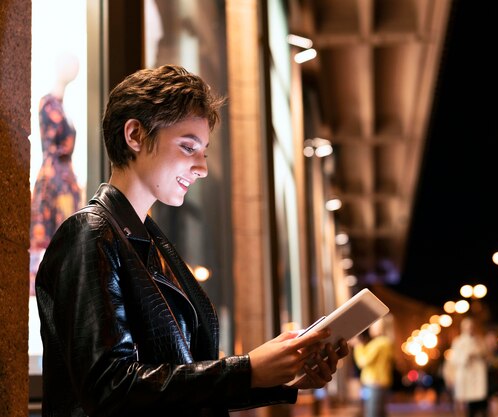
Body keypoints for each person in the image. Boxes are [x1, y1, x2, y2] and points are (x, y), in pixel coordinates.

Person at [35, 64, 349, 417]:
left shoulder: (148, 241)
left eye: (204, 152)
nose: (202, 168)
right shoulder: (90, 234)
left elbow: (178, 385)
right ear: (135, 135)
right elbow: (110, 387)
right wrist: (248, 370)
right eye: (188, 147)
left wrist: (280, 378)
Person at [30, 52, 82, 295]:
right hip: (54, 179)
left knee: (66, 236)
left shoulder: (61, 106)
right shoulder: (47, 103)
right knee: (49, 231)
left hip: (65, 179)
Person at [353, 314, 395, 417]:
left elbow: (362, 361)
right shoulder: (386, 342)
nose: (372, 326)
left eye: (375, 324)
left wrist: (357, 345)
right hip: (380, 382)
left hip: (374, 383)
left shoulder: (380, 342)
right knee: (380, 412)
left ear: (383, 327)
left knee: (373, 413)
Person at [449, 317, 489, 417]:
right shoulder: (458, 342)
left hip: (477, 377)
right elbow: (454, 359)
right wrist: (465, 357)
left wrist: (477, 354)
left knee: (479, 404)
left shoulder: (479, 340)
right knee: (465, 404)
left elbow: (485, 355)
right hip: (465, 376)